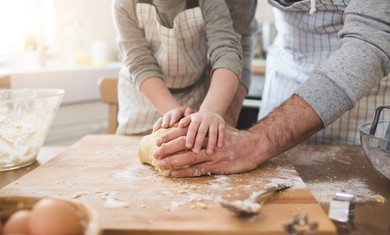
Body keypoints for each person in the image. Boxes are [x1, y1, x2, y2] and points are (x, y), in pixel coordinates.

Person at [152, 0, 390, 177]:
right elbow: (238, 33)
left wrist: (258, 142)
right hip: (285, 81)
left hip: (364, 94)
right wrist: (222, 126)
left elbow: (369, 44)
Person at [112, 0, 258, 155]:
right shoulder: (124, 4)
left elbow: (226, 51)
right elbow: (140, 64)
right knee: (133, 159)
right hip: (144, 97)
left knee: (193, 153)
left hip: (195, 97)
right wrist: (174, 114)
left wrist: (211, 110)